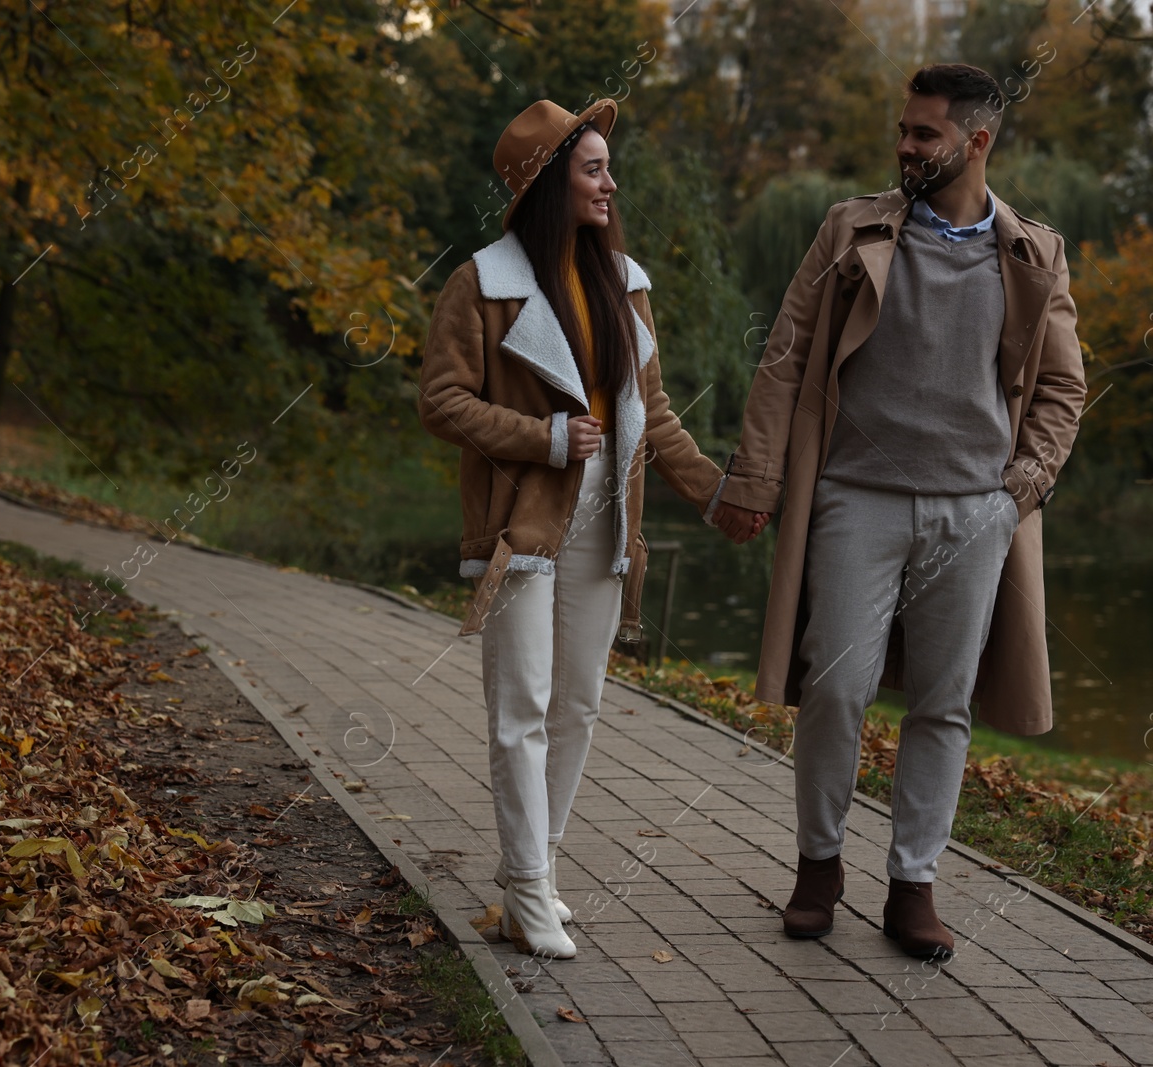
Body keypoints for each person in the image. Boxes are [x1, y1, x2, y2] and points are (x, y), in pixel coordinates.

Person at [709, 64, 1086, 960]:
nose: (907, 146)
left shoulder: (1035, 251)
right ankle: (819, 864)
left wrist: (1021, 486)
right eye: (905, 130)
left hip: (975, 514)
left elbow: (1065, 386)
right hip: (854, 500)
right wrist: (756, 481)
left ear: (976, 141)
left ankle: (913, 883)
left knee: (943, 704)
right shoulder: (854, 227)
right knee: (834, 688)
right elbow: (786, 357)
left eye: (925, 134)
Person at [417, 98, 756, 959]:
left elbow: (658, 416)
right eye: (592, 167)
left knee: (579, 700)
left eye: (609, 167)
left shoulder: (626, 282)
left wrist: (719, 495)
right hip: (526, 517)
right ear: (546, 182)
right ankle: (527, 890)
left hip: (610, 512)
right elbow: (442, 401)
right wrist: (544, 436)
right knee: (520, 702)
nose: (611, 183)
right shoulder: (481, 284)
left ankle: (537, 870)